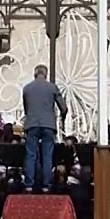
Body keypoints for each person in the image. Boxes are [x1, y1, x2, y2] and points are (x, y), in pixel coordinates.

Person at [21, 64, 67, 193]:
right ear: (45, 74)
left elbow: (26, 108)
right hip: (48, 125)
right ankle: (47, 185)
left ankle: (29, 184)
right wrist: (62, 117)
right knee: (47, 155)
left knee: (31, 155)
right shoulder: (52, 87)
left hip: (32, 124)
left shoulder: (27, 88)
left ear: (34, 74)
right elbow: (63, 107)